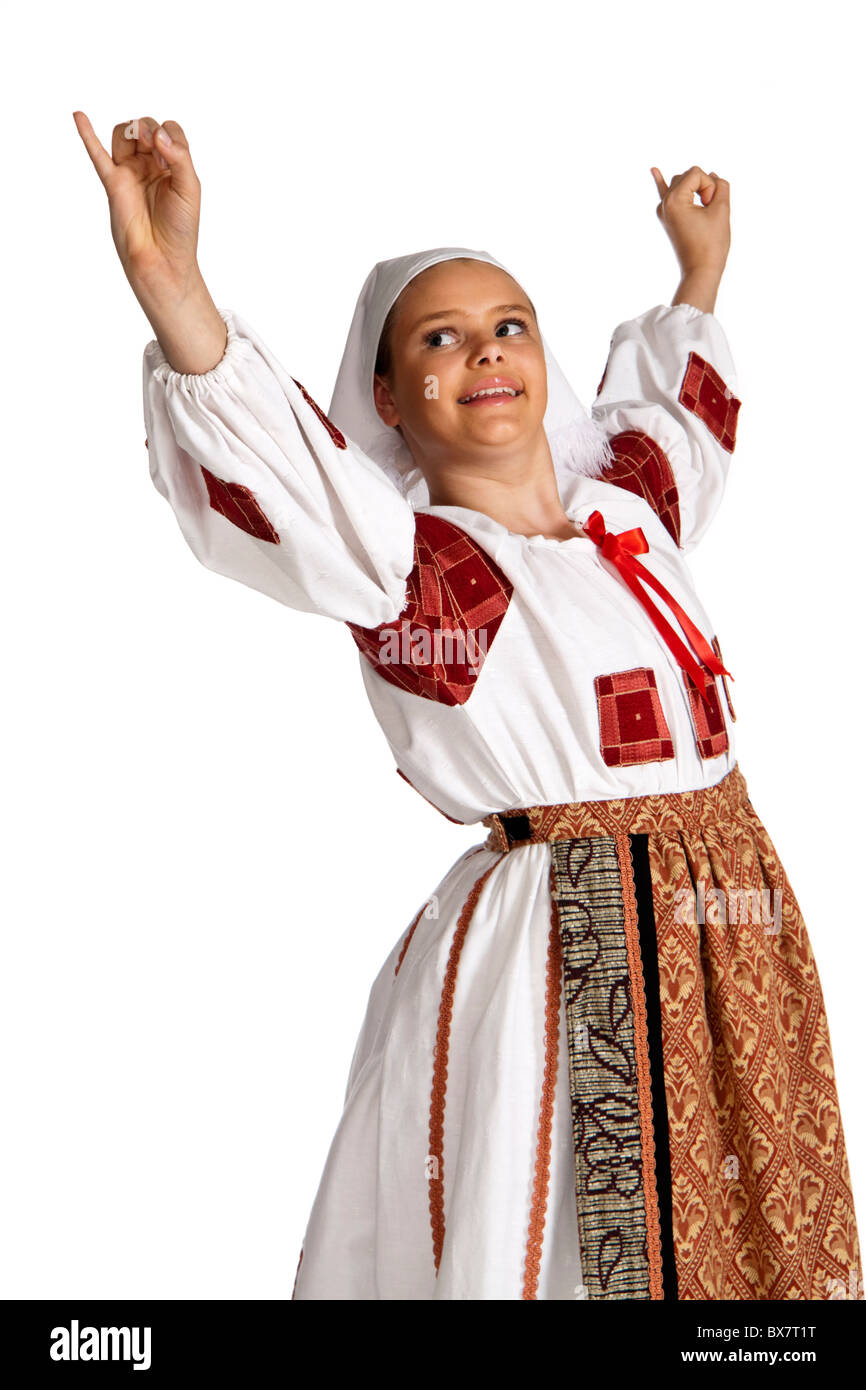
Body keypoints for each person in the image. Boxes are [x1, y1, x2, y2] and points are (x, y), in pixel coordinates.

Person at [74, 110, 863, 1302]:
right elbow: (288, 483)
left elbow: (681, 428)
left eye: (508, 326)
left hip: (729, 919)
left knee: (751, 1226)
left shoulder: (625, 514)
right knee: (565, 1232)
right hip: (566, 934)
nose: (486, 351)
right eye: (440, 339)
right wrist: (172, 284)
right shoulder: (422, 567)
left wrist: (696, 275)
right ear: (388, 397)